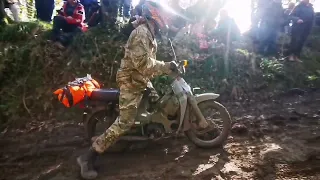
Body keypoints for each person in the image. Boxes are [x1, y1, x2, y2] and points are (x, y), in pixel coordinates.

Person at [76, 1, 177, 179]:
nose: (167, 17)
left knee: (155, 100)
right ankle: (88, 157)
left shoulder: (150, 32)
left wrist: (164, 67)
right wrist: (167, 66)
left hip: (140, 78)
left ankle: (147, 132)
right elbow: (143, 64)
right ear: (154, 13)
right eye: (163, 12)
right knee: (124, 122)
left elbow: (146, 62)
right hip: (131, 81)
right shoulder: (141, 33)